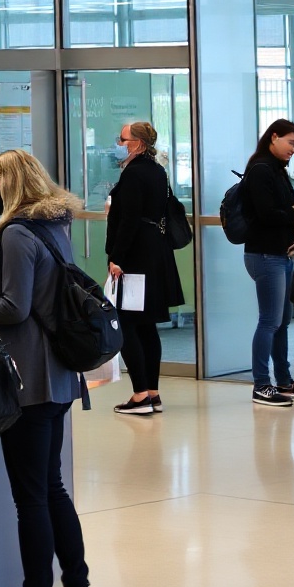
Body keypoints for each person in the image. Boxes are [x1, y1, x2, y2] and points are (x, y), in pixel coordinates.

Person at [0, 150, 102, 587]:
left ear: (10, 186)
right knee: (50, 488)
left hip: (30, 379)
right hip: (57, 375)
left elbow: (14, 308)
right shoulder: (54, 225)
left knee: (32, 500)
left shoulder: (18, 234)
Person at [103, 120, 183, 416]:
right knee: (146, 325)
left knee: (127, 323)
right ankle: (152, 391)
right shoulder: (157, 170)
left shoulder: (134, 173)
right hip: (155, 253)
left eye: (122, 139)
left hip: (135, 257)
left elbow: (129, 220)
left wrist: (116, 258)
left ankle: (140, 395)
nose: (119, 144)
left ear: (137, 143)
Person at [239, 120, 294, 405]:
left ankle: (284, 380)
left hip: (281, 253)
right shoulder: (260, 169)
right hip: (264, 254)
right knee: (270, 321)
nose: (293, 149)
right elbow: (267, 215)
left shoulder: (277, 169)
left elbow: (280, 214)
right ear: (274, 137)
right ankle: (261, 384)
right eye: (290, 142)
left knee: (282, 322)